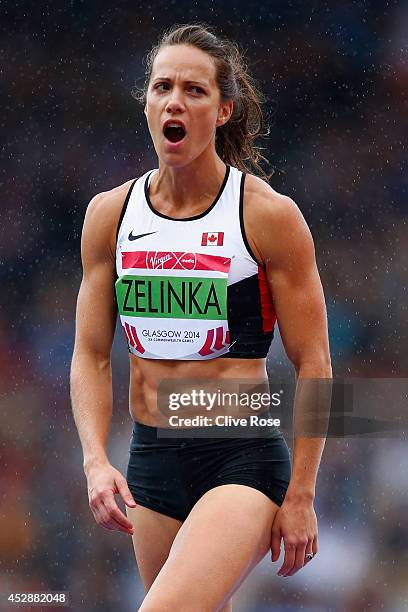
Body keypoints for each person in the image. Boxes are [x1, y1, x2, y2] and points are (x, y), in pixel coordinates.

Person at [70, 22, 332, 611]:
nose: (175, 101)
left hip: (239, 454)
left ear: (223, 110)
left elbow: (313, 360)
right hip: (152, 459)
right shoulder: (109, 215)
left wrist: (301, 494)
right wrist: (94, 459)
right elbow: (88, 353)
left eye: (195, 89)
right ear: (146, 104)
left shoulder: (267, 215)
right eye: (163, 87)